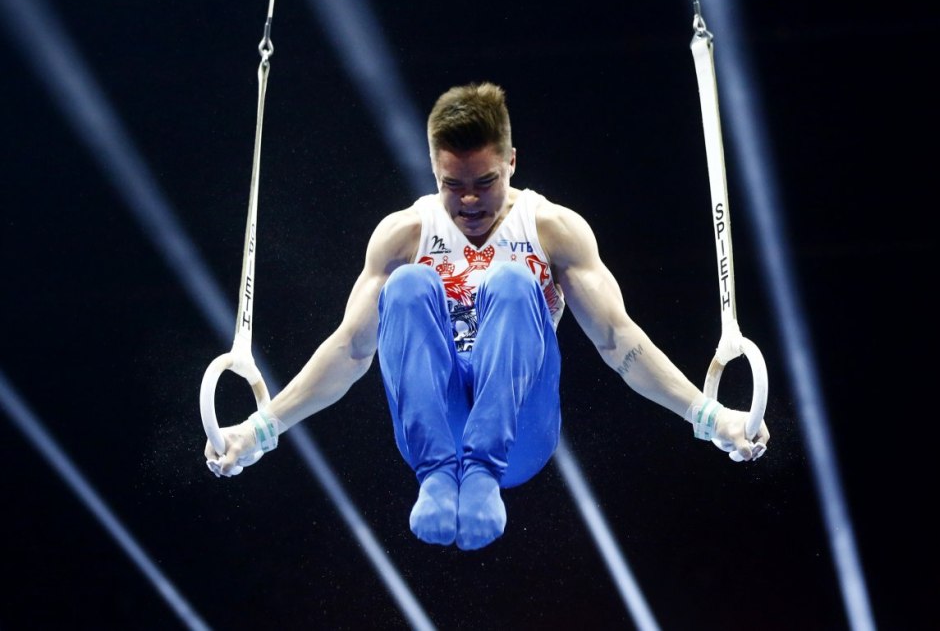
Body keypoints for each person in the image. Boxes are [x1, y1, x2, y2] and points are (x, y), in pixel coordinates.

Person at [204, 81, 769, 551]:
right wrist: (262, 428)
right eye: (453, 185)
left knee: (513, 282)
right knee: (406, 286)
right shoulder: (404, 234)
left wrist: (710, 417)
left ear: (512, 162)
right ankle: (438, 475)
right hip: (435, 422)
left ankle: (479, 474)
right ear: (432, 170)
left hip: (520, 427)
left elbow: (620, 343)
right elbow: (351, 351)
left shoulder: (552, 229)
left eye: (485, 182)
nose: (469, 201)